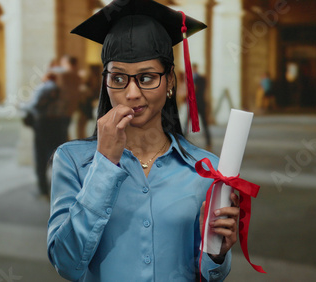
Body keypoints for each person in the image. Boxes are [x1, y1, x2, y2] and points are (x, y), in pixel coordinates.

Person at [47, 1, 239, 281]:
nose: (132, 93)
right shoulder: (72, 161)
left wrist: (217, 254)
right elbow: (66, 264)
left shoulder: (206, 169)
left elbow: (211, 275)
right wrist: (104, 164)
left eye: (147, 77)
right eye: (119, 78)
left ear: (170, 80)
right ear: (105, 82)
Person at [24, 69, 70, 197]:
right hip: (58, 125)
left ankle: (43, 189)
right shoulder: (62, 91)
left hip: (43, 125)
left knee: (41, 157)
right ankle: (60, 187)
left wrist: (22, 106)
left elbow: (33, 106)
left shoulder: (43, 88)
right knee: (56, 157)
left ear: (47, 77)